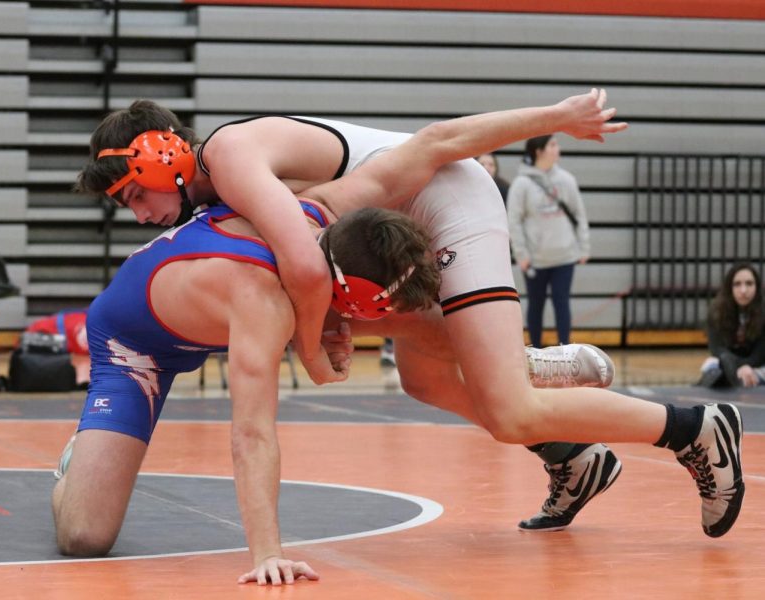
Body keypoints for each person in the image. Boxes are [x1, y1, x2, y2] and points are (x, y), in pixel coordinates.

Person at [78, 89, 743, 545]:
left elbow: (317, 262)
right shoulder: (213, 201)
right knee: (425, 382)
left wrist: (314, 354)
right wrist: (324, 329)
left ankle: (692, 428)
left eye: (136, 192)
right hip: (394, 218)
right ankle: (570, 453)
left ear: (162, 152)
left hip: (444, 201)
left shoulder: (226, 159)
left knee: (509, 406)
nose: (137, 213)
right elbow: (307, 269)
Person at [52, 202, 440, 586]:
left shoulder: (317, 215)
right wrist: (268, 553)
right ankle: (78, 457)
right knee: (85, 536)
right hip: (133, 346)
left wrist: (322, 334)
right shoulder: (261, 298)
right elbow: (251, 433)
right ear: (352, 291)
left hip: (198, 316)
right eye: (374, 311)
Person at [507, 135, 590, 348]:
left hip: (564, 256)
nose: (557, 148)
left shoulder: (567, 180)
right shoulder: (522, 183)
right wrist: (521, 255)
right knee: (536, 305)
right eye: (552, 145)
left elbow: (579, 214)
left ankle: (566, 351)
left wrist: (584, 247)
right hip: (536, 259)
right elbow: (513, 221)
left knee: (562, 303)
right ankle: (536, 351)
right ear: (538, 151)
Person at [697, 263, 765, 388]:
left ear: (757, 287)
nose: (743, 290)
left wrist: (742, 367)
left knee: (754, 374)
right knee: (711, 365)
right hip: (726, 363)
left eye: (749, 284)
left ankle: (729, 381)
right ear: (729, 288)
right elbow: (716, 349)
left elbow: (760, 355)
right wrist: (731, 365)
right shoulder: (716, 311)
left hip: (755, 366)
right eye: (737, 284)